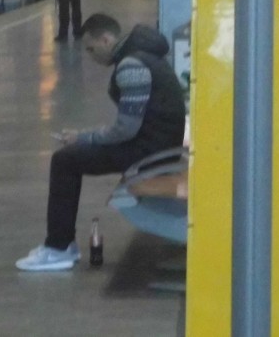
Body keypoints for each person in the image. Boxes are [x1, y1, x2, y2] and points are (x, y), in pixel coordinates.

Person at [15, 13, 186, 271]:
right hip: (159, 145)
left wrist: (83, 137)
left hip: (150, 151)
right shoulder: (145, 55)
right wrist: (87, 137)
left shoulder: (131, 66)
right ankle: (59, 246)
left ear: (106, 40)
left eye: (92, 48)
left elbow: (126, 129)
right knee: (72, 156)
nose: (91, 56)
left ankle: (59, 248)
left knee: (65, 161)